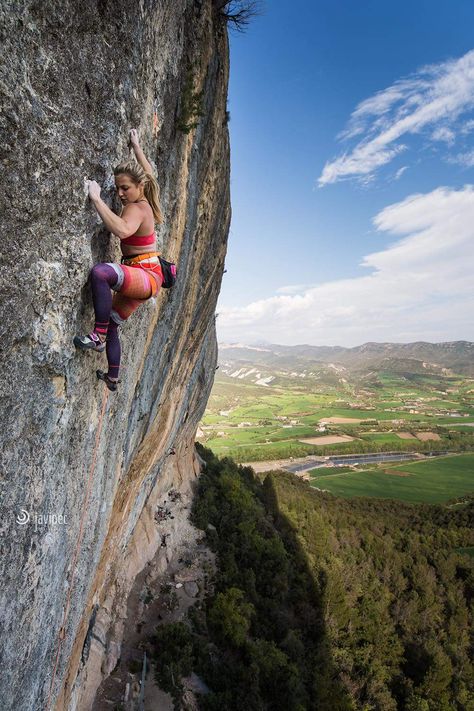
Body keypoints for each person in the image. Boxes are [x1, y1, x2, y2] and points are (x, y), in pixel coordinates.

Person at [74, 129, 164, 391]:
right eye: (118, 189)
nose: (121, 194)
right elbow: (149, 171)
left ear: (139, 187)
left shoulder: (138, 207)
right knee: (113, 323)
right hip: (146, 278)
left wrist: (96, 198)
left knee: (101, 273)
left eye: (125, 188)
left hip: (144, 275)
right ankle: (113, 378)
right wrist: (136, 146)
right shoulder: (145, 195)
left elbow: (123, 230)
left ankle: (97, 336)